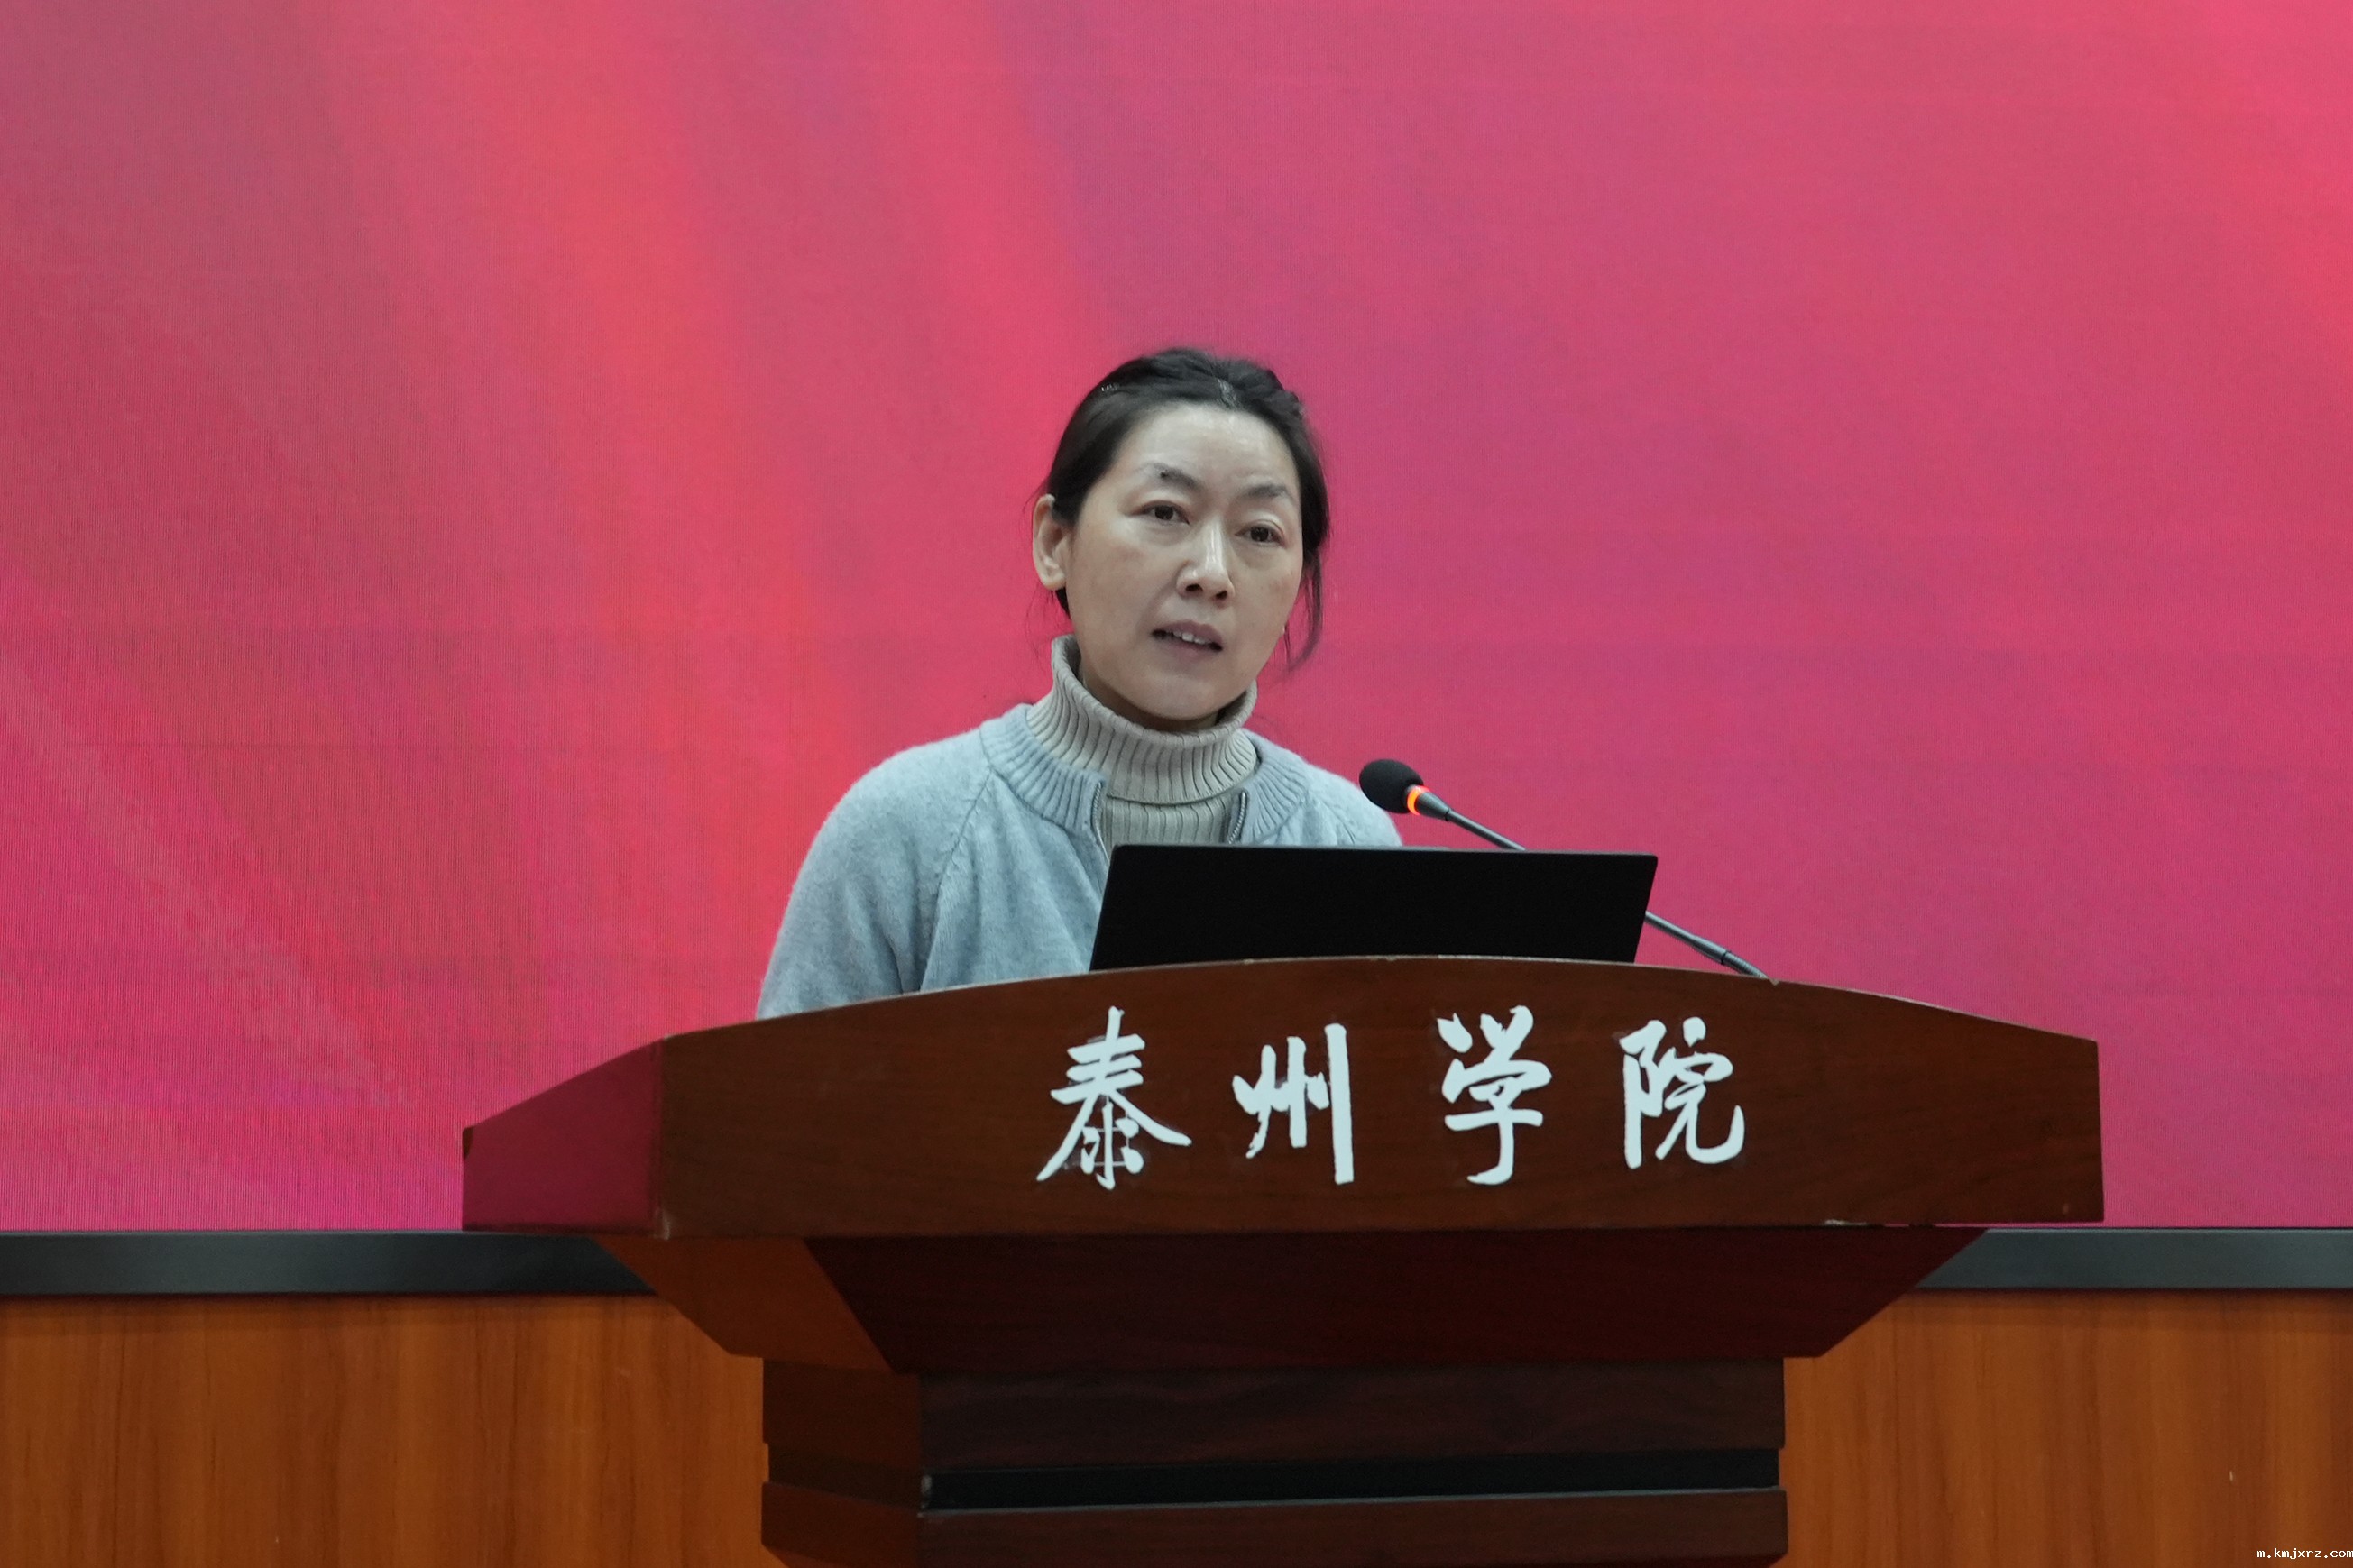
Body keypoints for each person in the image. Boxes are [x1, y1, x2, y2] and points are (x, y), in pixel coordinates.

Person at [757, 347, 1398, 1018]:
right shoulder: (908, 832)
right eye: (1165, 512)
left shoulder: (1351, 847)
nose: (1211, 573)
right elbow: (787, 1087)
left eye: (1260, 533)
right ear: (1054, 542)